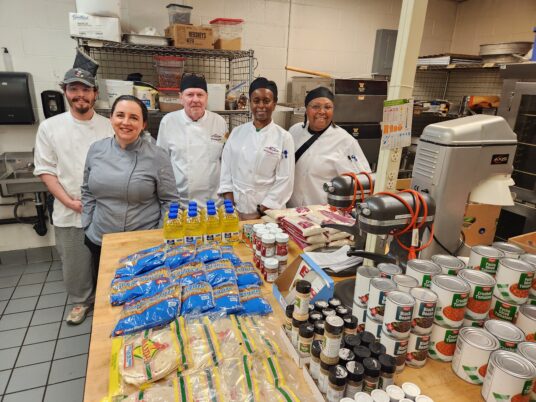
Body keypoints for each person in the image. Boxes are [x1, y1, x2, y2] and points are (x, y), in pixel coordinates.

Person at [34, 68, 113, 325]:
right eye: (74, 89)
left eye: (86, 89)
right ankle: (81, 301)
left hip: (104, 208)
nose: (80, 95)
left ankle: (107, 298)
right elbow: (45, 171)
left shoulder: (108, 125)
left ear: (95, 94)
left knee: (105, 258)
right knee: (75, 261)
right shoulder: (50, 127)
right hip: (70, 208)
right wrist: (69, 201)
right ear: (65, 92)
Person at [81, 95, 178, 269]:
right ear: (111, 118)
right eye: (120, 115)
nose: (126, 122)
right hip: (100, 239)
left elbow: (170, 200)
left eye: (134, 117)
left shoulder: (157, 155)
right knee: (105, 290)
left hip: (143, 243)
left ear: (143, 124)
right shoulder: (96, 150)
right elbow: (87, 190)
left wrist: (158, 234)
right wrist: (87, 224)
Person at [219, 77, 295, 220]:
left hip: (268, 213)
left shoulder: (284, 137)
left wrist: (261, 211)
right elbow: (225, 172)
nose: (261, 105)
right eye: (256, 100)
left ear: (274, 104)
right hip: (236, 210)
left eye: (266, 101)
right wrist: (231, 208)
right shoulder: (236, 132)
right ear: (250, 103)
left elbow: (285, 180)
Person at [288, 86, 371, 207]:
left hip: (322, 214)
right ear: (306, 109)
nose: (321, 111)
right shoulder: (294, 131)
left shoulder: (345, 141)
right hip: (291, 210)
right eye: (315, 106)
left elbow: (362, 182)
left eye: (327, 107)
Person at [156, 74, 228, 207]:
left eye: (200, 95)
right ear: (181, 98)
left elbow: (226, 161)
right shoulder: (168, 122)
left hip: (213, 203)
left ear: (206, 98)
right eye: (190, 95)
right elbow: (161, 163)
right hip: (180, 203)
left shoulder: (219, 122)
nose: (195, 99)